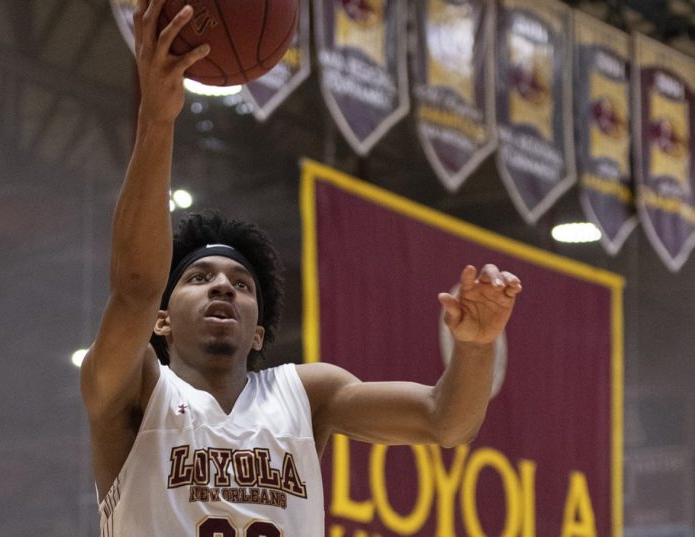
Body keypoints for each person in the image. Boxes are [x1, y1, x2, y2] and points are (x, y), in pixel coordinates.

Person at [80, 1, 523, 535]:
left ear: (260, 329)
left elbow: (443, 420)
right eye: (199, 278)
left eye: (241, 285)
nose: (222, 285)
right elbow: (133, 288)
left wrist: (474, 348)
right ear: (162, 320)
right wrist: (157, 118)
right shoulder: (134, 391)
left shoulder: (308, 395)